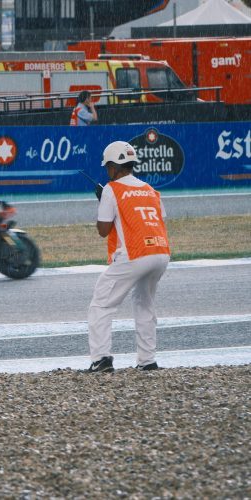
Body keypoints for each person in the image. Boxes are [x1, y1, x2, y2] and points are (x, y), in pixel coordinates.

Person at [86, 141, 171, 373]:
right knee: (145, 304)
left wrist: (103, 201)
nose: (107, 172)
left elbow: (103, 230)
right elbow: (159, 219)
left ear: (114, 167)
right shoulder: (150, 189)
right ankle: (147, 361)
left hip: (135, 254)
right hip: (161, 252)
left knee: (102, 302)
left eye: (108, 167)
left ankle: (101, 359)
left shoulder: (111, 189)